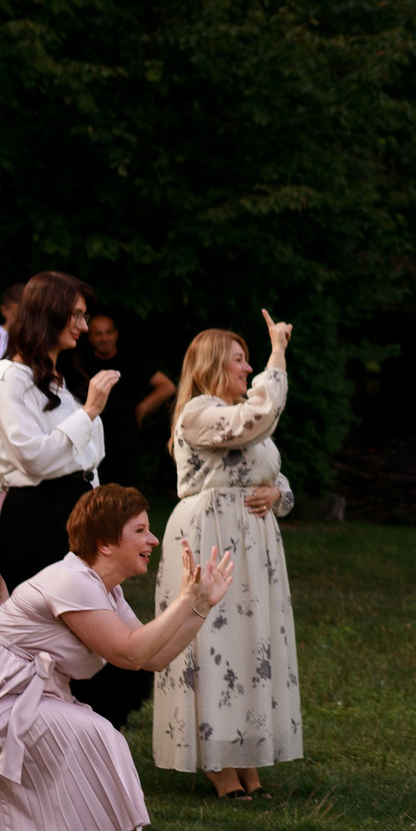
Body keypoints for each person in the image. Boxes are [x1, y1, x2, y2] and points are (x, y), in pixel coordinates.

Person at [0, 484, 235, 831]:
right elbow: (130, 653)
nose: (153, 539)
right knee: (95, 733)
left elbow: (153, 659)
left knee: (92, 734)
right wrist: (187, 599)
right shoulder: (72, 580)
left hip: (7, 691)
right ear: (105, 542)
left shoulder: (105, 589)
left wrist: (200, 606)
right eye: (141, 530)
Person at [153, 313, 302, 798]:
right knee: (213, 644)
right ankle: (218, 761)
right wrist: (278, 353)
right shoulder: (199, 413)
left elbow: (276, 479)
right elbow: (257, 417)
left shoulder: (237, 420)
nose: (249, 366)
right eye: (240, 359)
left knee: (252, 644)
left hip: (254, 545)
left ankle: (247, 753)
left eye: (252, 358)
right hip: (211, 536)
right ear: (215, 364)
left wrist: (277, 497)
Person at [0, 272, 146, 725]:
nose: (82, 325)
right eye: (75, 315)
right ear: (49, 314)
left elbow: (90, 455)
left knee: (94, 621)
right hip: (37, 512)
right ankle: (43, 731)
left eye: (84, 315)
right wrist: (91, 411)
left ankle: (92, 731)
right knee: (57, 633)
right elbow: (34, 458)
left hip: (75, 505)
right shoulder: (10, 377)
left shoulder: (61, 379)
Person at [79, 313, 175, 488]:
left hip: (125, 441)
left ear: (115, 334)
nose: (104, 338)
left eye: (108, 332)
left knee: (125, 497)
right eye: (98, 334)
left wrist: (142, 408)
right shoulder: (81, 364)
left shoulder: (131, 359)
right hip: (92, 441)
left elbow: (167, 386)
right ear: (90, 337)